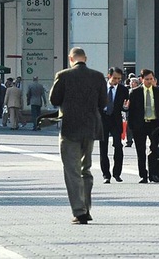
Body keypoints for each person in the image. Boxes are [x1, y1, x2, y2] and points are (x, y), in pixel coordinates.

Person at [49, 47, 106, 224]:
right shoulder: (98, 76)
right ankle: (87, 208)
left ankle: (79, 211)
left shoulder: (63, 75)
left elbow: (54, 99)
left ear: (70, 59)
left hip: (70, 128)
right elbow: (103, 102)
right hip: (90, 128)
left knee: (72, 170)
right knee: (86, 169)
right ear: (85, 58)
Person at [124, 68, 159, 183]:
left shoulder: (158, 92)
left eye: (151, 79)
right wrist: (131, 126)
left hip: (154, 124)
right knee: (140, 151)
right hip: (140, 125)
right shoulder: (134, 92)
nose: (149, 81)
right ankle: (143, 175)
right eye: (147, 79)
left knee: (155, 149)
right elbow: (130, 111)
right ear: (141, 79)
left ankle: (154, 173)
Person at [99, 67, 128, 184]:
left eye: (119, 79)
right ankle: (106, 174)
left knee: (118, 146)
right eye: (115, 78)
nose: (117, 80)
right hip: (103, 119)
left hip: (116, 120)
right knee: (103, 148)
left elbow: (124, 106)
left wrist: (125, 107)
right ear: (109, 76)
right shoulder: (100, 88)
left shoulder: (123, 90)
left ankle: (117, 173)